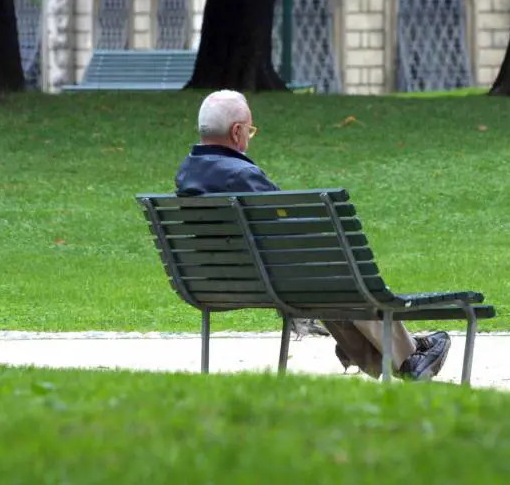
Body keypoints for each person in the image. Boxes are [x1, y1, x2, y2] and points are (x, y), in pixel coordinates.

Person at [174, 89, 452, 381]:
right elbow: (289, 231)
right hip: (272, 282)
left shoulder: (187, 174)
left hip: (210, 283)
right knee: (342, 277)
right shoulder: (242, 175)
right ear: (236, 131)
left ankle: (392, 357)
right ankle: (409, 358)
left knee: (330, 282)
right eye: (250, 130)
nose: (249, 137)